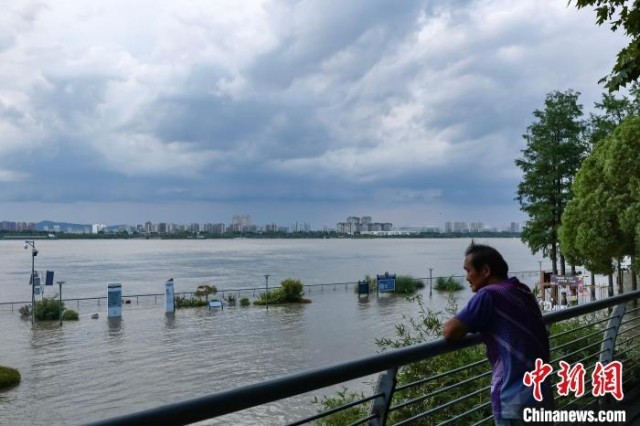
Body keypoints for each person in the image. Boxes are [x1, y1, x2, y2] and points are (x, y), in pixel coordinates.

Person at [443, 242, 553, 425]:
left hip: (514, 400)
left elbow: (450, 331)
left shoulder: (489, 295)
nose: (467, 277)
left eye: (468, 270)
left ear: (485, 270)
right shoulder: (522, 289)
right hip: (541, 394)